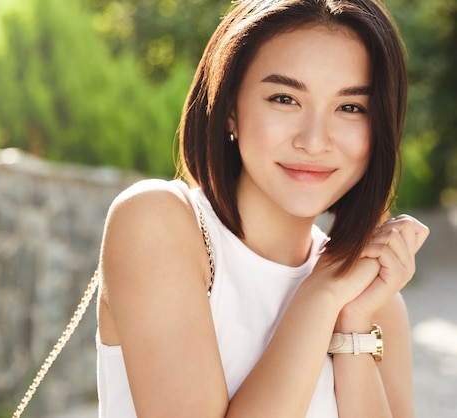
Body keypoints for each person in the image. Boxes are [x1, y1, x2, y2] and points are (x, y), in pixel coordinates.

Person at [95, 0, 430, 416]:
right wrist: (319, 296)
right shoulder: (159, 224)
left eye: (350, 107)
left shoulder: (378, 303)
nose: (314, 140)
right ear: (231, 108)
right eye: (284, 98)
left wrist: (352, 323)